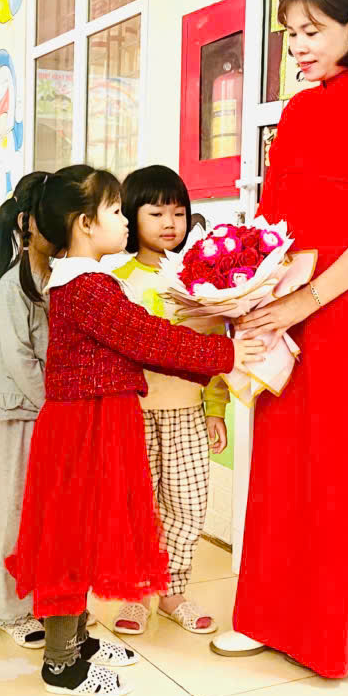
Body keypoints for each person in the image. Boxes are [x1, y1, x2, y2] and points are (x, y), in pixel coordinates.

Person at [211, 0, 348, 677]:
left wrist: (301, 301)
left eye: (313, 30)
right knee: (279, 459)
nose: (298, 46)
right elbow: (273, 220)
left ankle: (332, 636)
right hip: (286, 299)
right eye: (291, 33)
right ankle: (266, 617)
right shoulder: (298, 111)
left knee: (341, 466)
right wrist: (239, 291)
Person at [5, 168, 264, 696]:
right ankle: (62, 665)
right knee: (71, 541)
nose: (124, 221)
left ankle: (78, 640)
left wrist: (221, 356)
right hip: (85, 425)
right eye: (115, 211)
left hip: (98, 419)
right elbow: (148, 338)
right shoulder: (86, 287)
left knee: (84, 531)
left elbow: (144, 343)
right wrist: (227, 353)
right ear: (84, 223)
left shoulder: (87, 280)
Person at [111, 165, 227, 637]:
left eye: (178, 213)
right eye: (156, 212)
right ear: (130, 216)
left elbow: (215, 344)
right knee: (136, 506)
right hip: (133, 412)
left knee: (188, 503)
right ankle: (137, 591)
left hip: (187, 411)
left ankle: (173, 590)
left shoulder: (198, 278)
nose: (169, 223)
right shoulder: (116, 277)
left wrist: (215, 409)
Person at [0, 171, 52, 648]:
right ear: (28, 223)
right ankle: (6, 607)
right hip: (26, 414)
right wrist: (51, 407)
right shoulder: (12, 285)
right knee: (14, 510)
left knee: (43, 514)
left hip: (49, 413)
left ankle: (42, 599)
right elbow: (21, 359)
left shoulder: (54, 276)